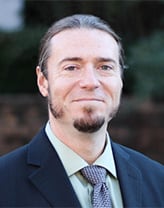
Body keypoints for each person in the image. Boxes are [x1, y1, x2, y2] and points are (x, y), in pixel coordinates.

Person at [0, 14, 163, 208]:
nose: (90, 82)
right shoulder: (4, 184)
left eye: (105, 67)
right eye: (71, 67)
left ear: (120, 79)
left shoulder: (158, 181)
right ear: (43, 82)